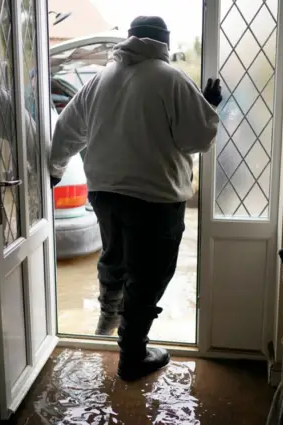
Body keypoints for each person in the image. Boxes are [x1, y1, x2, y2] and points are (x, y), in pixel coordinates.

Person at [49, 16, 222, 381]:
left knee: (114, 257)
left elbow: (67, 128)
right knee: (150, 273)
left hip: (105, 192)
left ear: (129, 40)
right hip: (153, 196)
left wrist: (55, 168)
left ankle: (107, 319)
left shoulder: (102, 79)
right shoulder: (171, 78)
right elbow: (197, 141)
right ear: (164, 41)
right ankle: (132, 355)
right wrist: (207, 107)